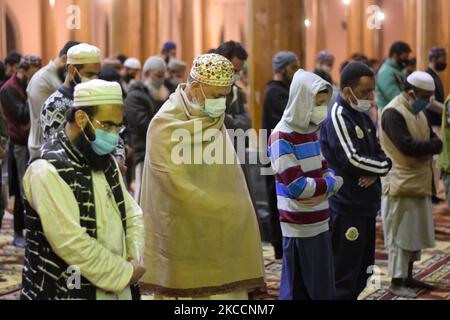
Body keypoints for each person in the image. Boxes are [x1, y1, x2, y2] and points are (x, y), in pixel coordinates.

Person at [140, 53, 265, 299]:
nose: (222, 103)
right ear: (195, 87)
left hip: (220, 227)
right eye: (217, 96)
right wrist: (218, 206)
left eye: (225, 96)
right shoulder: (164, 124)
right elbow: (172, 182)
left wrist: (233, 206)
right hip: (183, 228)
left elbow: (228, 174)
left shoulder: (214, 119)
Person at [21, 79, 145, 300]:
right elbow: (71, 243)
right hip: (64, 289)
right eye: (107, 125)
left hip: (119, 284)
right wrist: (122, 272)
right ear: (80, 118)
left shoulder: (103, 159)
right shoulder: (46, 169)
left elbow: (132, 213)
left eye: (118, 126)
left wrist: (134, 258)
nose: (114, 135)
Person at [320, 62, 392, 300]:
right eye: (365, 92)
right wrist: (382, 167)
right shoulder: (338, 115)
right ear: (348, 91)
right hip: (346, 204)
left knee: (362, 268)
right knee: (344, 271)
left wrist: (377, 168)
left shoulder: (361, 115)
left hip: (365, 205)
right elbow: (351, 159)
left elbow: (378, 151)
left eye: (372, 91)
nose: (370, 97)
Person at [269, 70, 343, 300]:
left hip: (320, 220)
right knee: (298, 290)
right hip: (298, 226)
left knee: (322, 289)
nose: (321, 109)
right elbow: (297, 187)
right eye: (316, 103)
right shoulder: (282, 136)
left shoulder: (310, 130)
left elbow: (329, 172)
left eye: (323, 103)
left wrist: (329, 185)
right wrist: (330, 185)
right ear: (302, 100)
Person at [381, 71, 442, 298]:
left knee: (413, 235)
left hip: (417, 181)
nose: (427, 102)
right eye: (425, 97)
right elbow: (407, 146)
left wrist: (431, 144)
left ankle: (408, 277)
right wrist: (432, 145)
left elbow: (430, 139)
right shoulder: (392, 113)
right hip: (400, 183)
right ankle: (396, 282)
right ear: (410, 93)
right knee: (399, 237)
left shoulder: (417, 111)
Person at [0, 55, 42, 248]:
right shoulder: (9, 89)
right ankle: (18, 231)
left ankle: (33, 231)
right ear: (24, 71)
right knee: (20, 190)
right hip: (19, 145)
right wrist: (34, 94)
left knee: (35, 189)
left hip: (33, 142)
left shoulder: (24, 86)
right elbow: (22, 116)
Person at [262, 51, 300, 259]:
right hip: (274, 156)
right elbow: (293, 118)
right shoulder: (275, 93)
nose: (296, 72)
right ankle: (279, 248)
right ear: (283, 69)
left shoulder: (285, 90)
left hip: (284, 154)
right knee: (276, 201)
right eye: (294, 67)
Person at [27, 41, 80, 160]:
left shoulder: (57, 76)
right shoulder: (42, 79)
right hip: (43, 147)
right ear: (66, 58)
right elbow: (44, 118)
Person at [40, 43, 101, 142]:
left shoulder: (98, 97)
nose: (95, 79)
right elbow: (56, 149)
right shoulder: (53, 106)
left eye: (97, 74)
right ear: (71, 70)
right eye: (89, 74)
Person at [125, 69, 158, 202]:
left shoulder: (150, 94)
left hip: (149, 150)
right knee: (141, 191)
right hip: (141, 150)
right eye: (158, 75)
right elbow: (142, 124)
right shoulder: (135, 97)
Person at [215, 41, 252, 134]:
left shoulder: (235, 89)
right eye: (233, 70)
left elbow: (247, 122)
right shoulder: (207, 91)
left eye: (238, 71)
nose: (237, 75)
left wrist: (230, 118)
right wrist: (234, 119)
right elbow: (217, 122)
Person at [376, 41, 412, 110]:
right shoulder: (386, 72)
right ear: (394, 55)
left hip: (398, 109)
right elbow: (394, 98)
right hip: (389, 112)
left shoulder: (398, 70)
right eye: (405, 57)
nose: (407, 60)